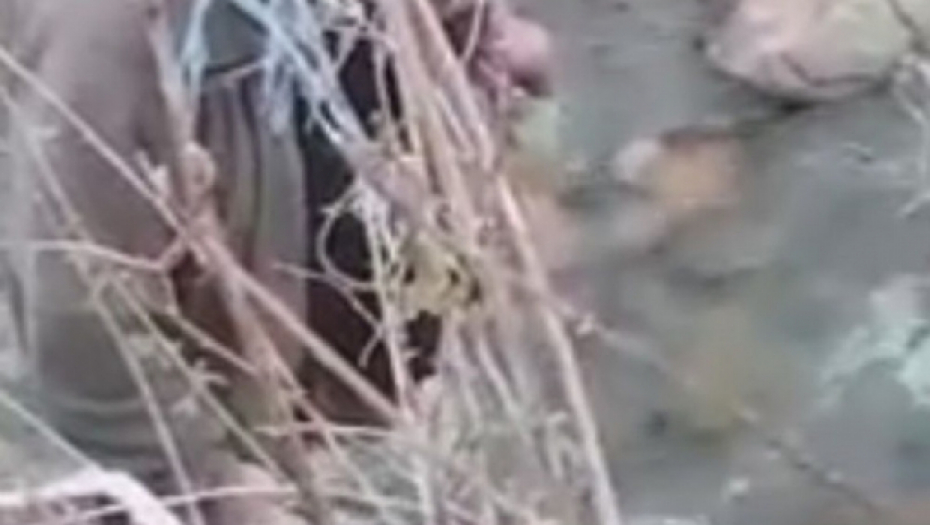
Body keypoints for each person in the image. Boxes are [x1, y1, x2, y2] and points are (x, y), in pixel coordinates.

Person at [0, 0, 551, 522]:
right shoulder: (99, 32)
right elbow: (79, 310)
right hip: (247, 450)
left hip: (394, 415)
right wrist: (210, 485)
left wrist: (478, 28)